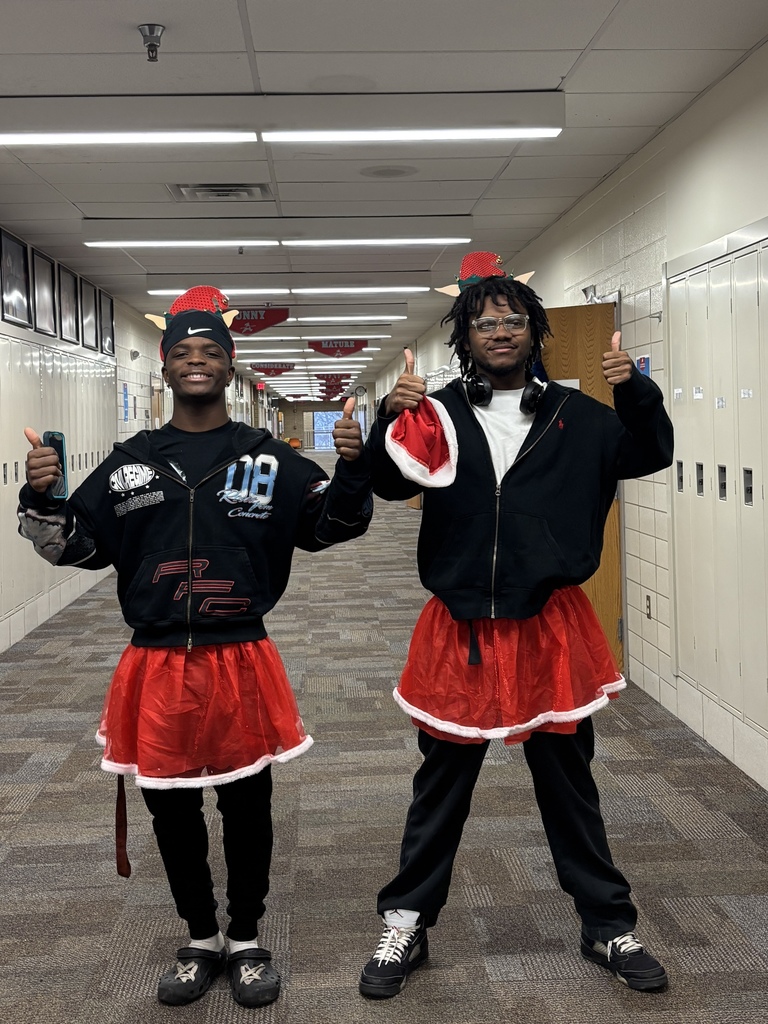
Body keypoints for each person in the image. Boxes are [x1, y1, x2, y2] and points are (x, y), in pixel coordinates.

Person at [17, 289, 372, 1009]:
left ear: (230, 365)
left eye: (211, 352)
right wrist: (43, 502)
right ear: (166, 366)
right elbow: (76, 549)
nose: (198, 362)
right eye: (184, 353)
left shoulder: (267, 458)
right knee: (170, 808)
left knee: (246, 803)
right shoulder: (131, 463)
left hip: (239, 653)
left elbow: (331, 527)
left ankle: (246, 938)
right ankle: (200, 936)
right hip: (153, 660)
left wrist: (356, 470)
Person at [358, 252, 674, 999]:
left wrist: (637, 393)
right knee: (441, 787)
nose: (499, 330)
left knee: (569, 786)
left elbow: (652, 452)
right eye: (483, 321)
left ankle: (607, 925)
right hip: (459, 624)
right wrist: (387, 418)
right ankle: (407, 922)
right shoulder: (436, 415)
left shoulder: (583, 418)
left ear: (535, 332)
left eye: (512, 319)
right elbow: (384, 480)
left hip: (548, 624)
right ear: (464, 336)